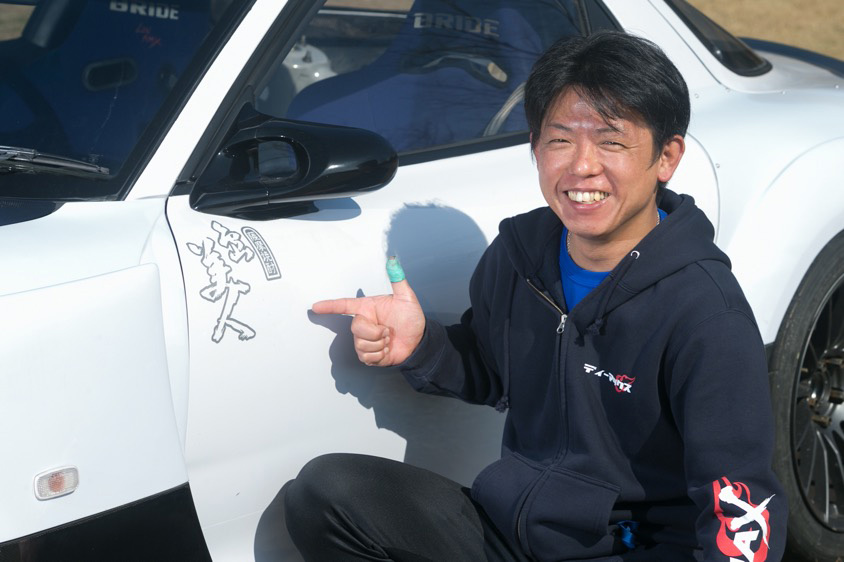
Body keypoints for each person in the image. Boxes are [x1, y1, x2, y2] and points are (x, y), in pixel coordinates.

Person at [284, 31, 787, 561]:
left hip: (628, 550)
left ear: (666, 157)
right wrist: (422, 344)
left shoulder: (706, 314)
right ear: (535, 147)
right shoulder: (521, 253)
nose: (581, 166)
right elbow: (490, 369)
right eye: (560, 140)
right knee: (328, 493)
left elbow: (742, 510)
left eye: (612, 142)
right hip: (514, 532)